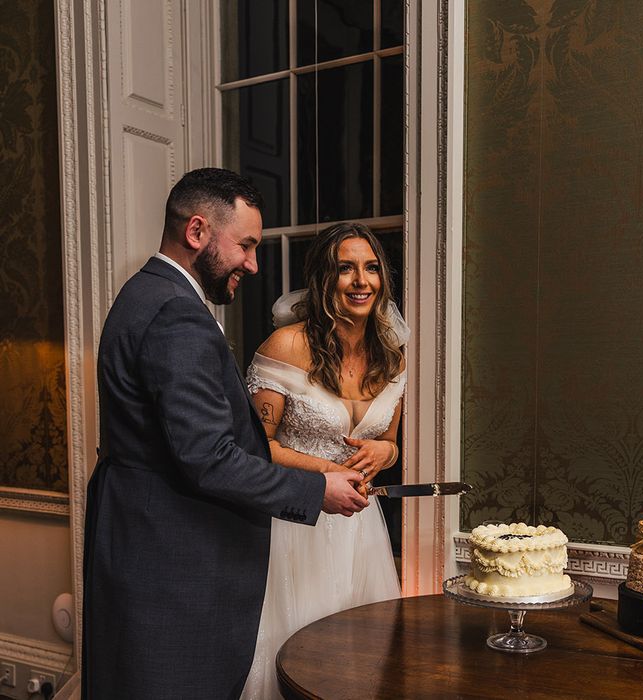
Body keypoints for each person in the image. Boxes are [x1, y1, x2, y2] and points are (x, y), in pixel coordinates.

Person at [82, 169, 369, 700]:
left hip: (138, 538)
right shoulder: (176, 314)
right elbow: (209, 457)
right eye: (245, 246)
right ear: (197, 232)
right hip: (175, 566)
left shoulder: (144, 292)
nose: (253, 264)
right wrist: (316, 491)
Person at [241, 222, 406, 699]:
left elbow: (390, 445)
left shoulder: (391, 356)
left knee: (361, 659)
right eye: (346, 269)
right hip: (296, 524)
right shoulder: (286, 347)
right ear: (323, 279)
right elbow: (257, 448)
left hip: (360, 529)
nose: (361, 281)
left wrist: (384, 451)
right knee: (296, 655)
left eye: (371, 268)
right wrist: (327, 469)